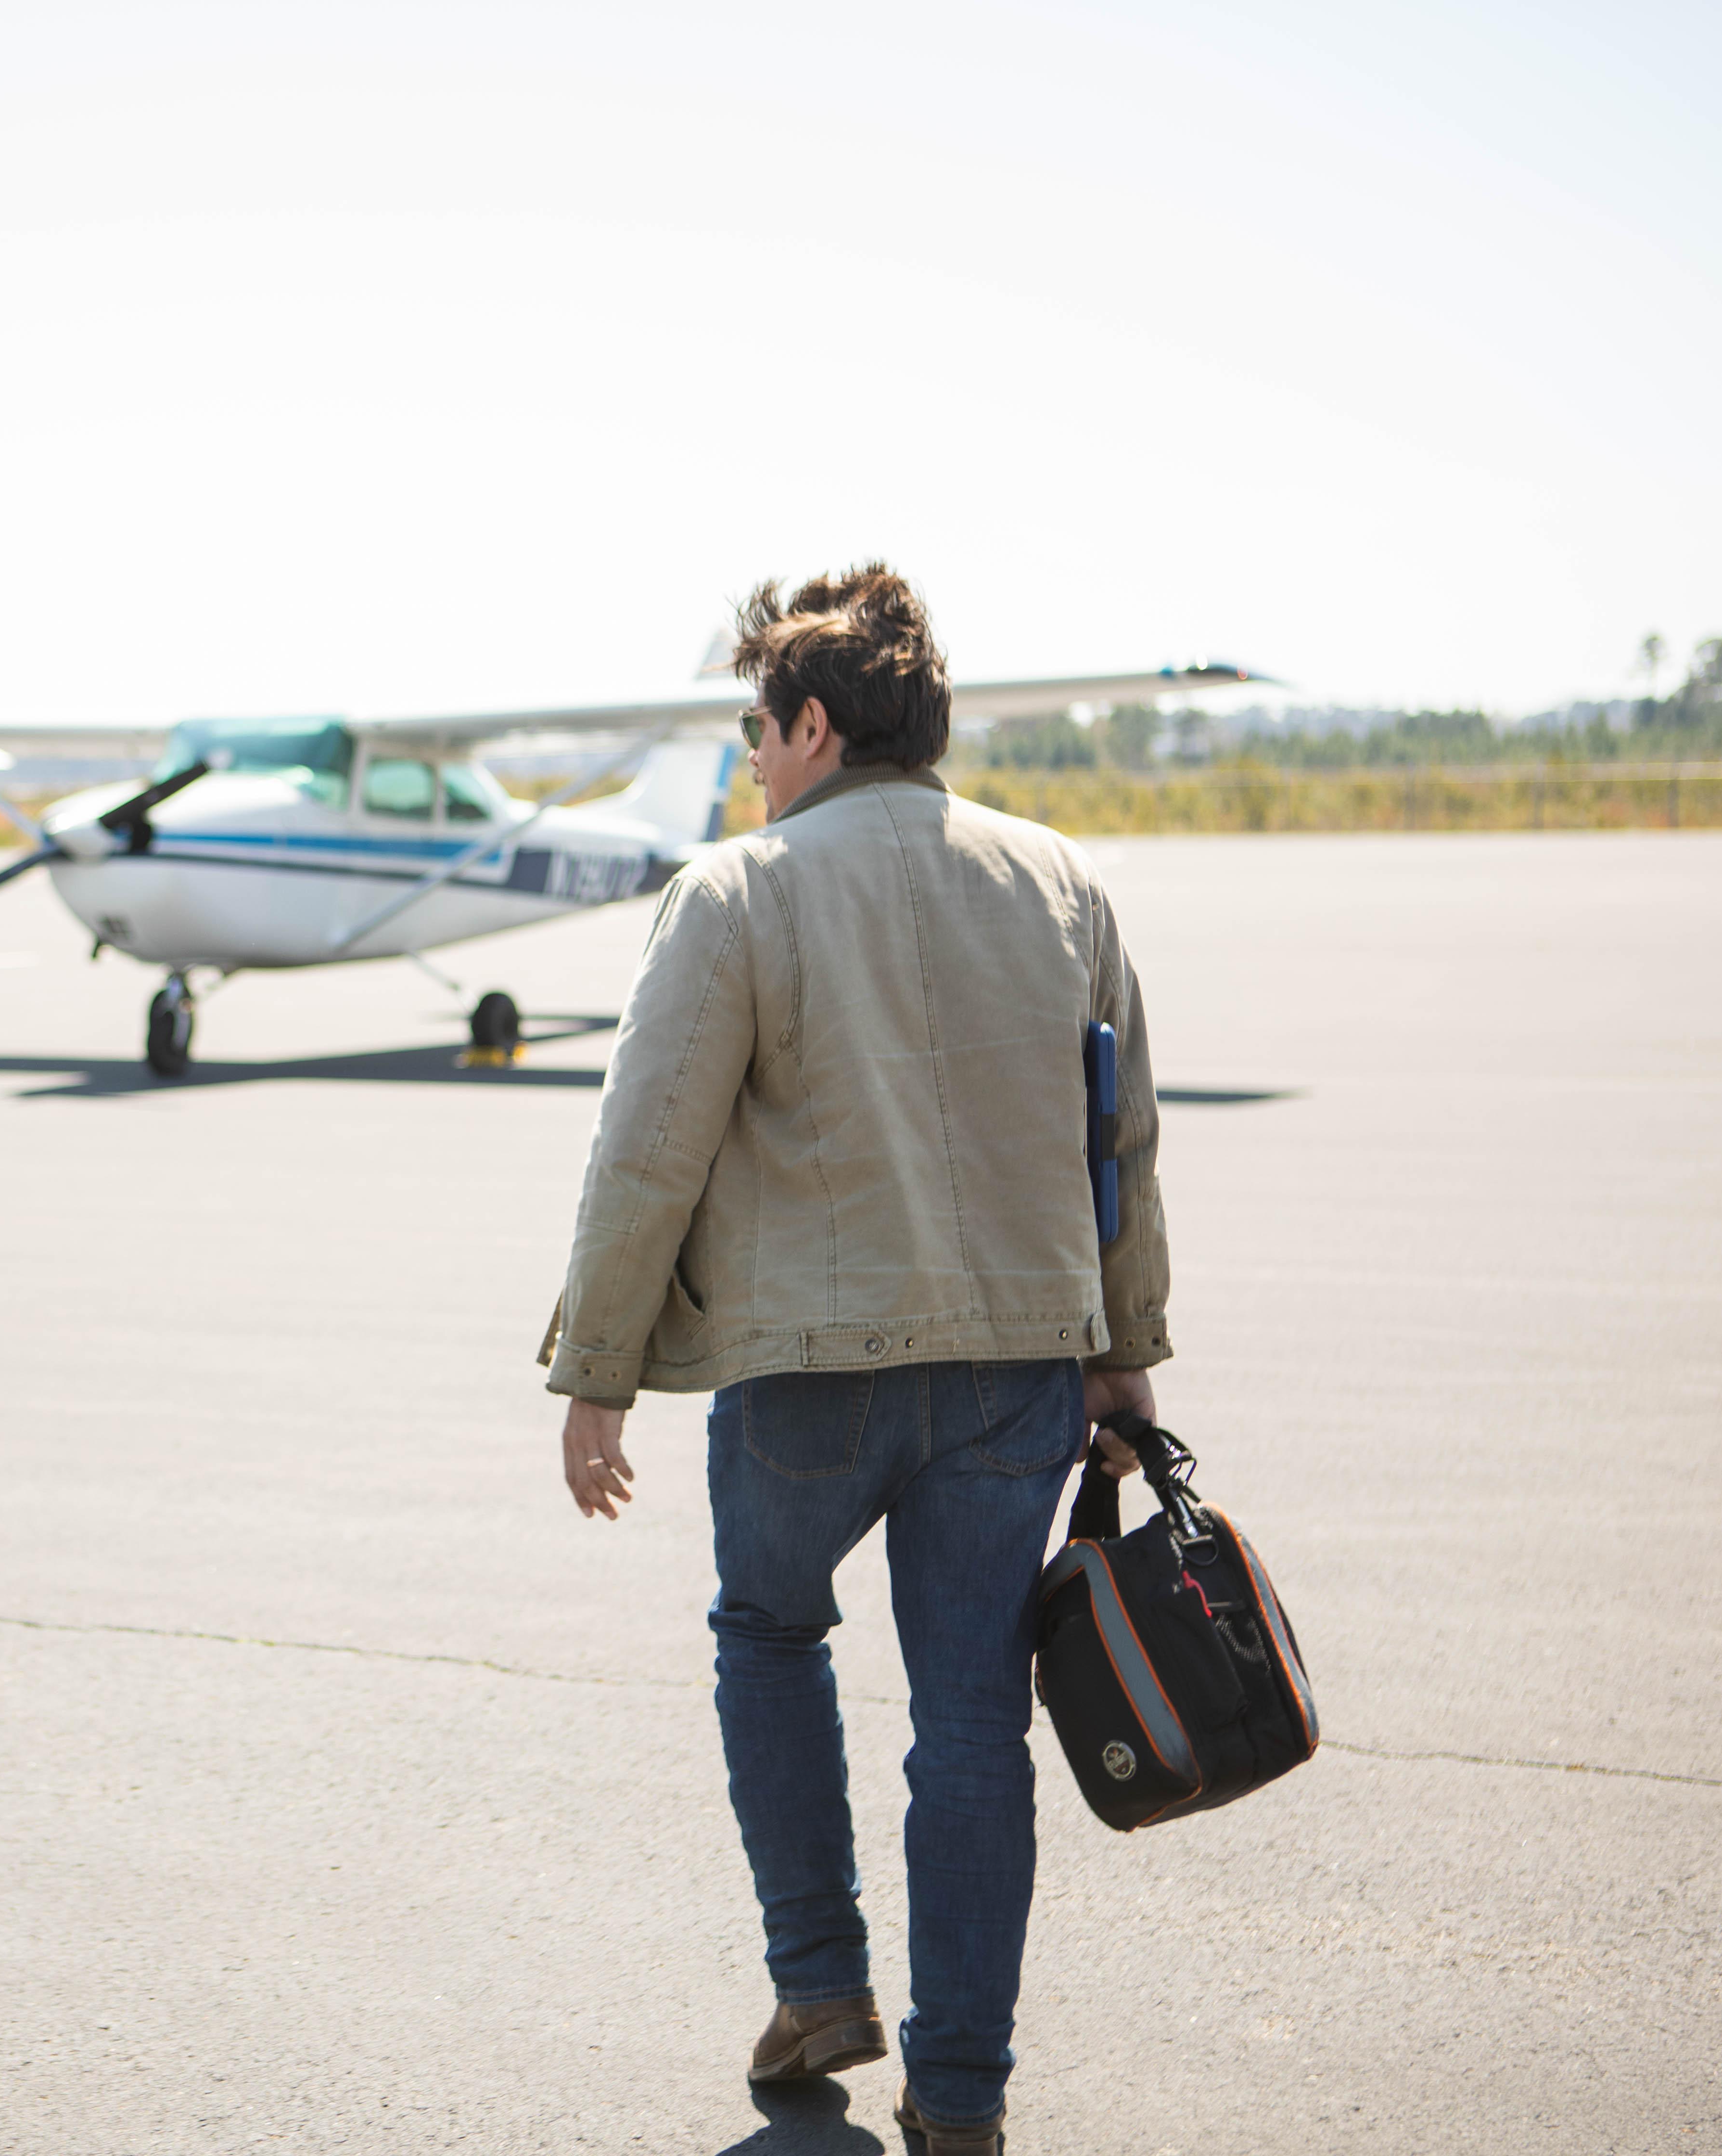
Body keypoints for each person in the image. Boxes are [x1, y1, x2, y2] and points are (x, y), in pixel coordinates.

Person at [540, 567, 1171, 2156]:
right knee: (973, 1720)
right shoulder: (1064, 885)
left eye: (760, 727)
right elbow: (1124, 1147)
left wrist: (597, 1369)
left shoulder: (737, 893)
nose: (754, 757)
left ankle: (820, 1984)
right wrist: (1127, 1355)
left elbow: (646, 1152)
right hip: (1020, 1369)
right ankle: (961, 2093)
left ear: (817, 726)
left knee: (768, 1631)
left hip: (805, 1382)